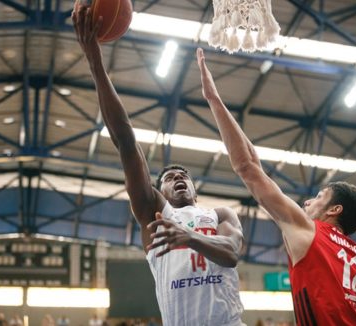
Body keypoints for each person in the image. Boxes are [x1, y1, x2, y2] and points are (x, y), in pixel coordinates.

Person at [196, 48, 356, 325]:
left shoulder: (307, 229)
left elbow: (248, 167)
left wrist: (213, 99)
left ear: (335, 209)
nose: (306, 203)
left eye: (318, 196)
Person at [71, 2, 244, 326]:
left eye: (184, 176)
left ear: (193, 188)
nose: (178, 178)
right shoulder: (155, 213)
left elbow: (232, 253)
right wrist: (94, 58)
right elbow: (124, 140)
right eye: (169, 177)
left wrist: (189, 237)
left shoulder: (221, 214)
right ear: (158, 189)